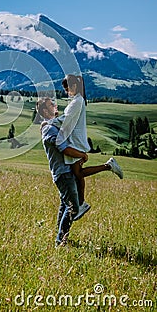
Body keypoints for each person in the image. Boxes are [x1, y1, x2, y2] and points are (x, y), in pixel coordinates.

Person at [37, 96, 123, 246]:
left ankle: (61, 236)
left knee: (65, 205)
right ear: (45, 110)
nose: (55, 106)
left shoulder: (53, 126)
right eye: (52, 105)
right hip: (62, 173)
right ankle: (60, 241)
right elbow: (63, 148)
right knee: (73, 208)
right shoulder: (49, 129)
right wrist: (82, 155)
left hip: (65, 171)